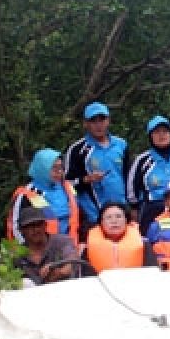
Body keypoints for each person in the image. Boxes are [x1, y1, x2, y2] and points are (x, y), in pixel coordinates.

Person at [64, 101, 129, 237]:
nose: (98, 125)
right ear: (85, 124)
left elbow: (128, 177)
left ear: (108, 121)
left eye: (102, 120)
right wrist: (86, 179)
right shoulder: (77, 150)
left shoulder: (121, 145)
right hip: (93, 215)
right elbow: (67, 185)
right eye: (93, 121)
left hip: (120, 213)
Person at [126, 115, 170, 233]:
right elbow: (131, 188)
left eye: (165, 131)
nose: (162, 135)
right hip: (151, 209)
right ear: (150, 136)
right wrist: (134, 208)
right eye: (157, 132)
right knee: (150, 244)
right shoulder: (142, 160)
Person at [6, 148, 79, 246]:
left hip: (71, 247)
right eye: (54, 168)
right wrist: (28, 252)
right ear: (43, 169)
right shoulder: (26, 194)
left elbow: (80, 217)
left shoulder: (67, 188)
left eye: (61, 167)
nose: (59, 172)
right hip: (41, 249)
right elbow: (15, 227)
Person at [13, 205, 81, 286]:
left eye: (38, 224)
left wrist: (60, 272)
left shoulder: (61, 242)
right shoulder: (16, 254)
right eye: (30, 226)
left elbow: (73, 262)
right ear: (21, 231)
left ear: (45, 225)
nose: (35, 230)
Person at [85, 202, 145, 273]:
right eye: (108, 217)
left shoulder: (144, 244)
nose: (114, 221)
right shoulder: (86, 247)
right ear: (101, 222)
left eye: (118, 216)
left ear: (126, 220)